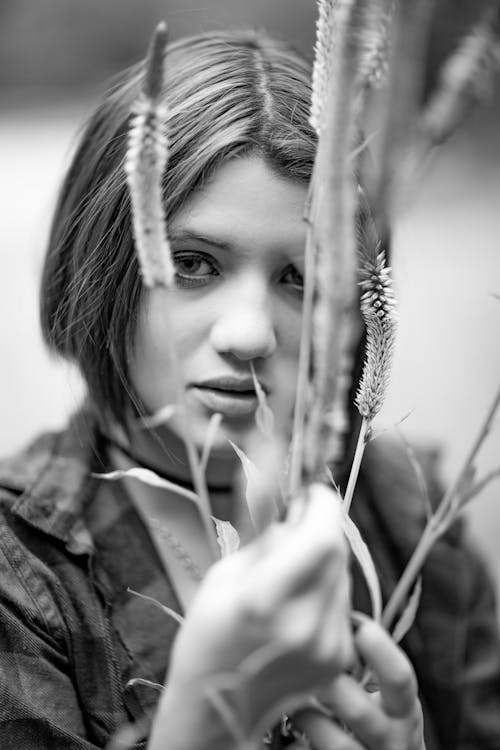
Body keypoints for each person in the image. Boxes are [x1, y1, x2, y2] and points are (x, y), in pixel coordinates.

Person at [0, 27, 499, 750]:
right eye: (195, 264)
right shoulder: (21, 577)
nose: (249, 334)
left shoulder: (407, 511)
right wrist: (203, 725)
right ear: (105, 260)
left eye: (300, 277)